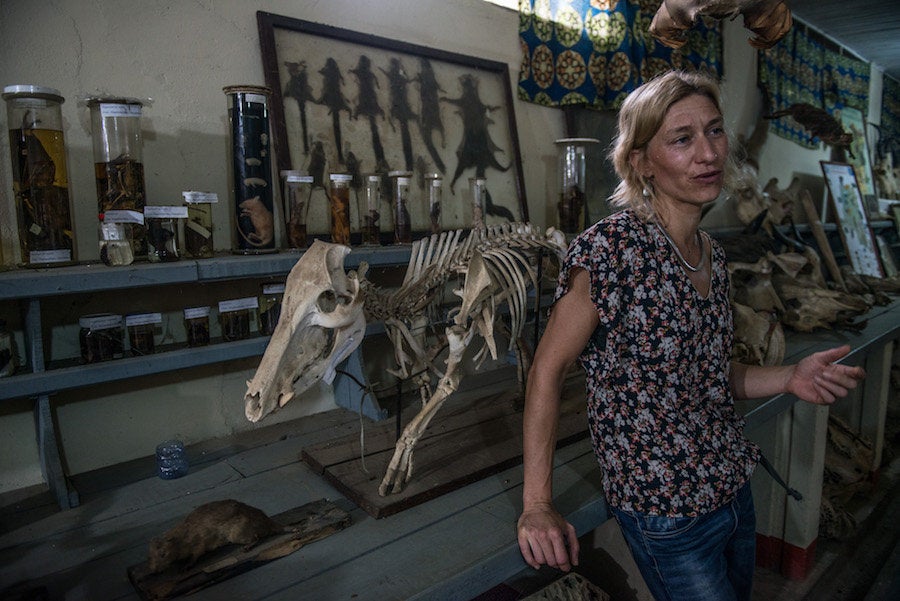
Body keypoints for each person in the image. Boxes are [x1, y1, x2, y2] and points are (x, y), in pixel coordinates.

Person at [516, 70, 866, 601]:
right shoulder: (612, 249)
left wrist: (790, 376)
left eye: (715, 131)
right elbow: (547, 370)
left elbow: (707, 374)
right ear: (641, 162)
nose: (709, 153)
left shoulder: (711, 255)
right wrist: (537, 502)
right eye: (682, 139)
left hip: (730, 486)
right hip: (667, 511)